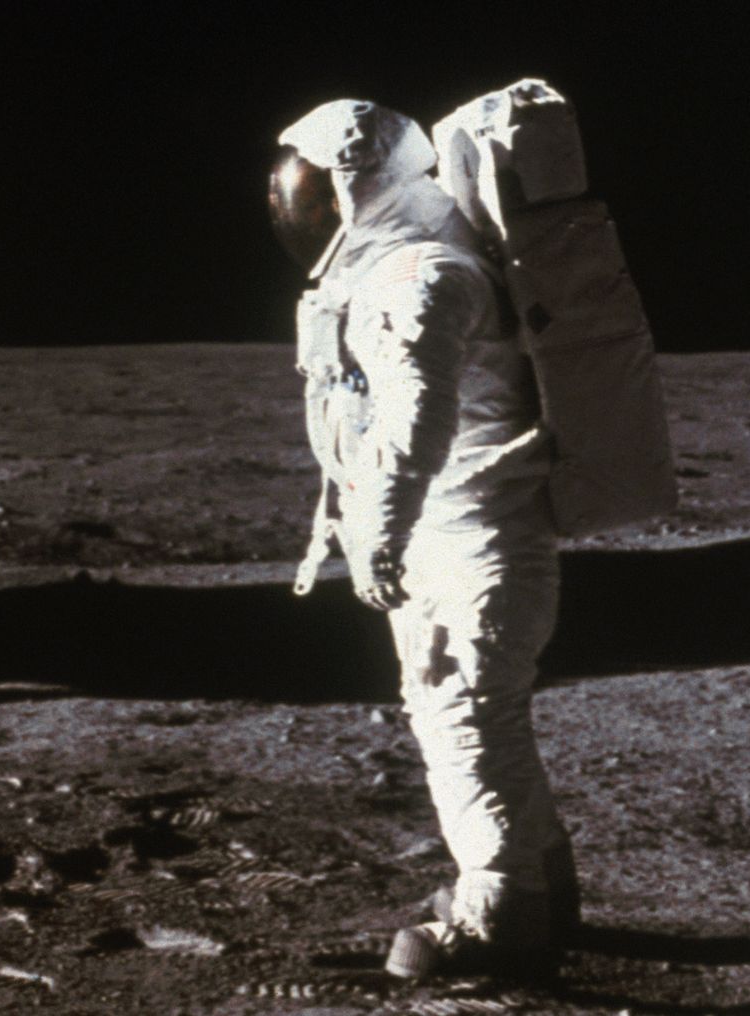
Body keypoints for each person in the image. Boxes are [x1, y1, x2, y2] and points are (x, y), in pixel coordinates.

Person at [273, 99, 578, 980]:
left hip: (474, 540)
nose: (296, 214)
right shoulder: (405, 268)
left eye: (310, 196)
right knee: (479, 716)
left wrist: (380, 534)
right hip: (464, 533)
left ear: (356, 191)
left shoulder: (420, 278)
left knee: (465, 720)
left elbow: (416, 423)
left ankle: (501, 918)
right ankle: (544, 889)